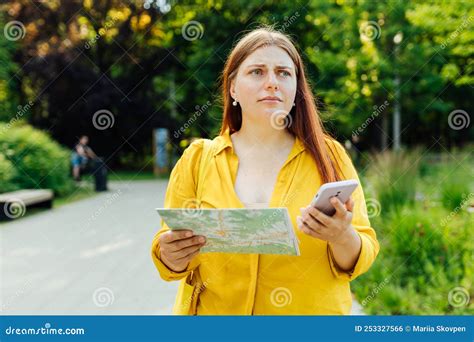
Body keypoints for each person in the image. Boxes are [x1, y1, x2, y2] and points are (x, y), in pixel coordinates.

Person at [151, 27, 380, 315]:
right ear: (233, 87)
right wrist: (170, 254)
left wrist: (341, 235)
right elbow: (167, 257)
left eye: (284, 73)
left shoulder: (330, 156)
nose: (272, 82)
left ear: (296, 87)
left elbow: (362, 255)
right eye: (257, 72)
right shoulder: (197, 160)